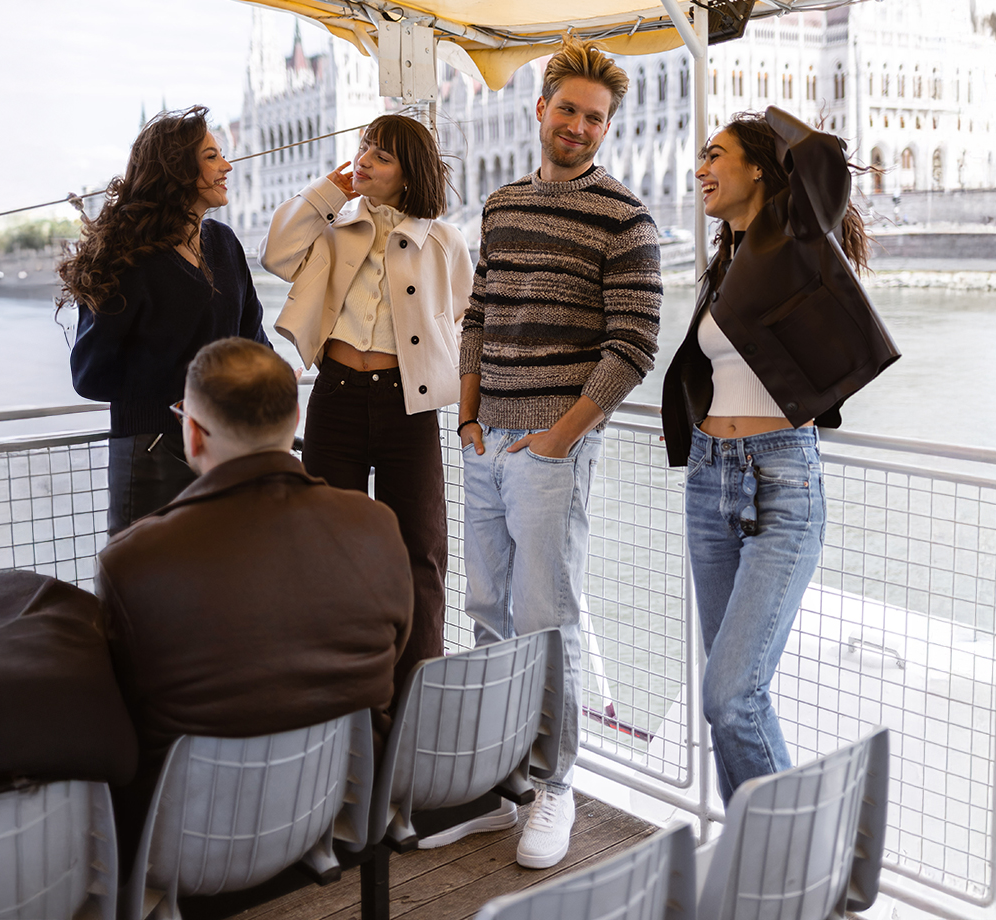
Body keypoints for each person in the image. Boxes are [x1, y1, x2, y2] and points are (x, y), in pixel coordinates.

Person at [451, 37, 661, 869]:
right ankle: (494, 783)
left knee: (548, 622)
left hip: (549, 452)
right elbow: (478, 316)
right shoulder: (501, 206)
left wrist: (558, 441)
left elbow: (633, 346)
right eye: (567, 109)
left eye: (594, 117)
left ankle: (555, 784)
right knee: (486, 616)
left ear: (608, 127)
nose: (578, 126)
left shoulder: (626, 218)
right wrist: (467, 420)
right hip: (485, 442)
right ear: (540, 109)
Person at [97, 336, 413, 875]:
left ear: (193, 432)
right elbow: (395, 647)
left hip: (187, 842)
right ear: (295, 419)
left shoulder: (132, 561)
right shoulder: (376, 525)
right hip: (340, 807)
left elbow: (123, 711)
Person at [661, 107, 899, 803]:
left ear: (761, 169)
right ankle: (751, 850)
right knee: (726, 696)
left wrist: (763, 121)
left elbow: (818, 155)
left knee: (731, 695)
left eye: (716, 154)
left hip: (779, 479)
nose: (700, 170)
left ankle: (792, 856)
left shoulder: (795, 237)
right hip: (710, 479)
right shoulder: (728, 267)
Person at [260, 114, 472, 697]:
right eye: (363, 149)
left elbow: (459, 319)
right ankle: (338, 691)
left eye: (382, 155)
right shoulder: (333, 227)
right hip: (337, 395)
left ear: (410, 171)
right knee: (327, 545)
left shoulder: (444, 241)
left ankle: (417, 698)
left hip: (410, 404)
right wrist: (328, 191)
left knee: (420, 553)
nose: (365, 161)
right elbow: (276, 254)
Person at [60, 105, 271, 536]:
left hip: (227, 450)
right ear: (177, 169)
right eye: (211, 156)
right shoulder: (127, 258)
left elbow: (252, 340)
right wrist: (187, 396)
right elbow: (90, 375)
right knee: (144, 573)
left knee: (225, 570)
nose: (227, 166)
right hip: (151, 453)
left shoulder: (225, 242)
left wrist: (271, 381)